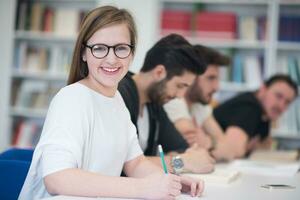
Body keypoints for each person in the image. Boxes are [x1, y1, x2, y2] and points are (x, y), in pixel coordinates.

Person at [18, 6, 203, 200]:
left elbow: (135, 163)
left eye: (121, 48)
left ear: (132, 53)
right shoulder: (71, 99)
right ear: (83, 53)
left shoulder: (117, 102)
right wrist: (142, 188)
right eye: (99, 48)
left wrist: (171, 181)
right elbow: (57, 178)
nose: (111, 59)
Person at [118, 34, 215, 175]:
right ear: (159, 72)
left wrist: (184, 157)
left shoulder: (154, 102)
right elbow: (119, 163)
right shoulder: (119, 95)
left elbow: (181, 148)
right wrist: (182, 162)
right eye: (180, 86)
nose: (180, 96)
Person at [211, 74, 298, 161]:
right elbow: (233, 150)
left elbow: (264, 145)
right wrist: (247, 148)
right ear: (263, 89)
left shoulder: (265, 114)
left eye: (287, 102)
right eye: (278, 96)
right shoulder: (249, 107)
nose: (281, 106)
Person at [164, 45, 230, 150]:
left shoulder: (200, 103)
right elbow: (191, 147)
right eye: (210, 78)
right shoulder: (174, 100)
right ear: (192, 76)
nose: (216, 87)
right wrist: (212, 143)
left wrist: (208, 142)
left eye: (217, 79)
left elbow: (228, 149)